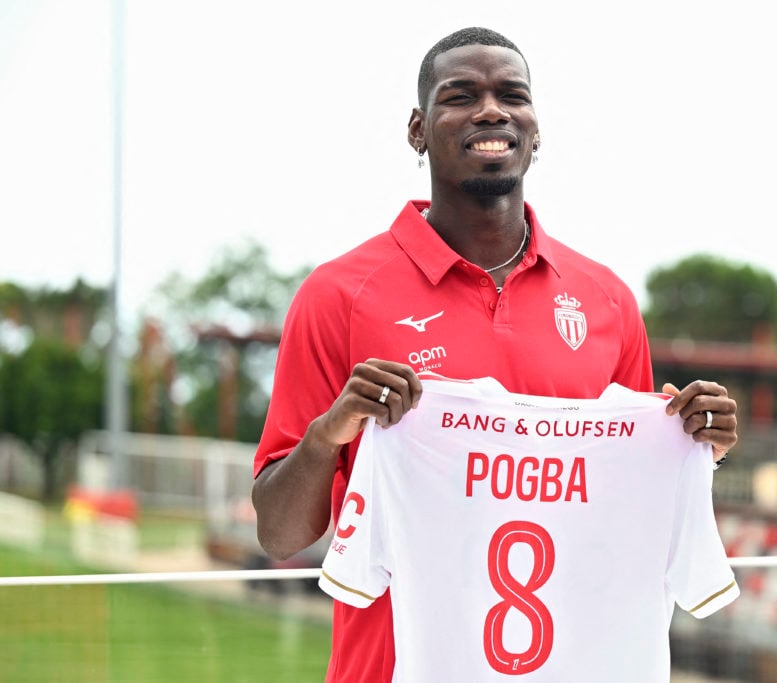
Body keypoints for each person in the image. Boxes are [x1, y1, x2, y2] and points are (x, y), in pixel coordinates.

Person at [252, 26, 739, 683]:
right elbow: (279, 534)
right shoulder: (338, 295)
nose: (491, 110)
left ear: (536, 131)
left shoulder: (608, 302)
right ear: (418, 131)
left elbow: (622, 513)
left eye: (513, 94)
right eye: (461, 96)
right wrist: (329, 434)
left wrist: (691, 440)